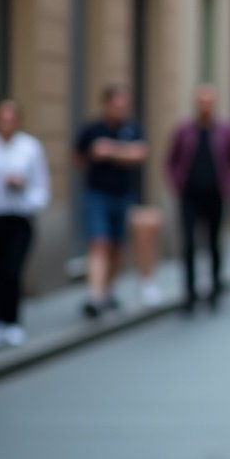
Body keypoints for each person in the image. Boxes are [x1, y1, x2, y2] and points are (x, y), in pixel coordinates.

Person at [166, 85, 230, 313]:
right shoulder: (184, 131)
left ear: (214, 105)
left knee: (213, 243)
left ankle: (215, 291)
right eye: (201, 101)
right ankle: (190, 294)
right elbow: (171, 160)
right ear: (196, 104)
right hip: (189, 196)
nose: (205, 105)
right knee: (189, 244)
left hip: (216, 195)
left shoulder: (226, 131)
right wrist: (176, 183)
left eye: (208, 101)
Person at [74, 85, 149, 317]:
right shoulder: (92, 128)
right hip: (97, 194)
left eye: (124, 105)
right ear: (106, 104)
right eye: (116, 104)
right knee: (99, 242)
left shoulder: (132, 127)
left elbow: (140, 154)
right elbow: (78, 155)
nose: (120, 109)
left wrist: (110, 151)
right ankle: (95, 296)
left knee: (117, 246)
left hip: (123, 195)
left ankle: (107, 291)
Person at [0, 100, 50, 347]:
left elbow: (42, 188)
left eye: (10, 118)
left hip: (19, 220)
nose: (6, 123)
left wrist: (24, 191)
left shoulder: (30, 148)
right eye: (2, 118)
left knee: (12, 270)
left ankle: (13, 321)